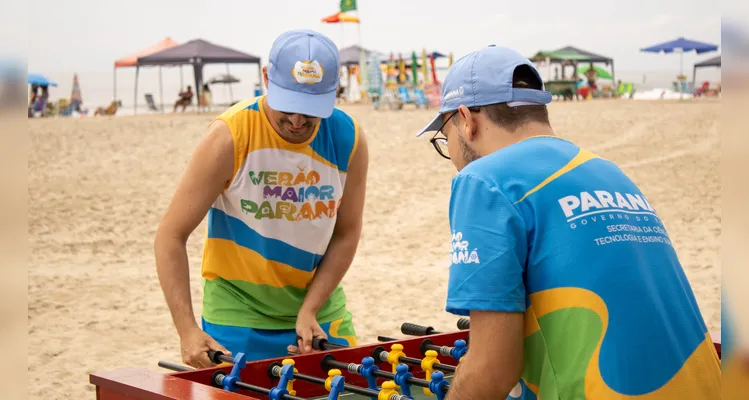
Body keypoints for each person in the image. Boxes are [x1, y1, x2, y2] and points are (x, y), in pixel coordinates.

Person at [416, 45, 721, 399]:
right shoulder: (608, 171)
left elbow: (492, 370)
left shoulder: (485, 179)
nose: (450, 152)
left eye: (445, 137)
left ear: (467, 120)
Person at [154, 29, 368, 369]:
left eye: (311, 109)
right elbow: (170, 235)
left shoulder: (348, 138)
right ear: (267, 78)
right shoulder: (230, 135)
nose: (298, 121)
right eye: (289, 105)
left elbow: (346, 233)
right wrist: (187, 330)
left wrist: (311, 307)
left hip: (320, 308)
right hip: (237, 314)